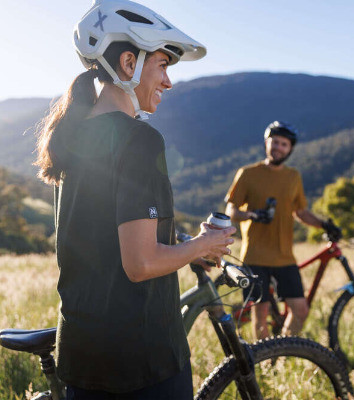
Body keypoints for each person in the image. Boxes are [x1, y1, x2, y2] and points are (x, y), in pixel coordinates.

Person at [34, 1, 235, 398]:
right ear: (129, 63)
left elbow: (109, 245)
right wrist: (205, 244)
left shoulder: (74, 138)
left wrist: (187, 250)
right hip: (141, 362)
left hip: (83, 355)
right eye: (162, 65)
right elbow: (141, 263)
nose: (168, 81)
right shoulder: (139, 139)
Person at [225, 121, 341, 340]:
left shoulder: (293, 177)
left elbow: (301, 212)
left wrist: (325, 225)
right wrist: (252, 215)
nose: (278, 147)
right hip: (255, 256)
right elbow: (231, 210)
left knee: (301, 310)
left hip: (284, 256)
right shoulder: (248, 174)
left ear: (290, 149)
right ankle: (267, 363)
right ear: (267, 143)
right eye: (275, 142)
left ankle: (283, 349)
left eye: (284, 144)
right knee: (260, 314)